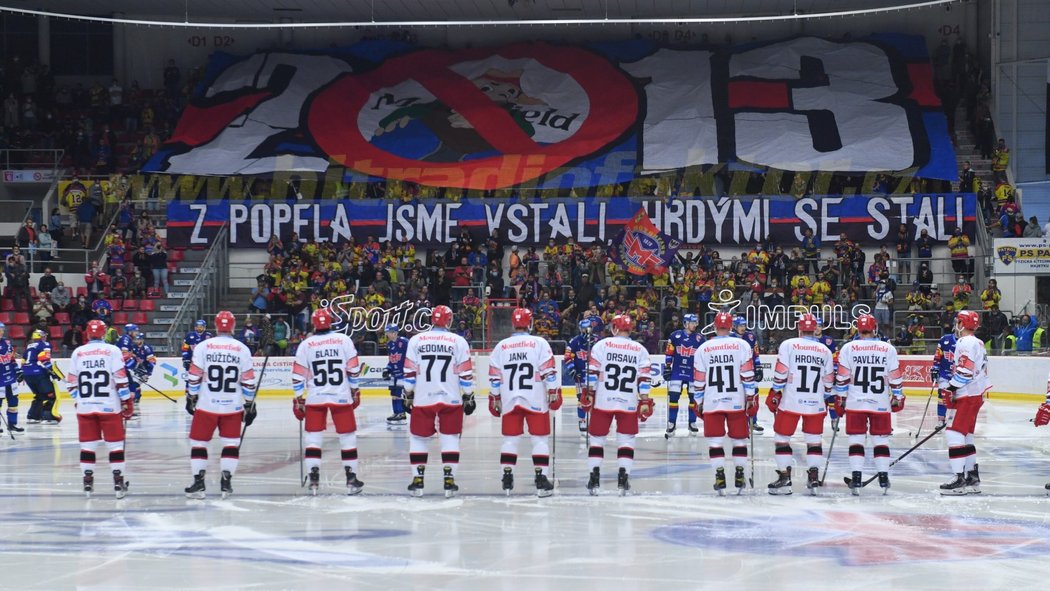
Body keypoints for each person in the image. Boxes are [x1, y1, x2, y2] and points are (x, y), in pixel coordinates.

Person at [402, 305, 475, 498]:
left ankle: (418, 479)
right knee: (450, 437)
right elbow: (465, 374)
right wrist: (468, 395)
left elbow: (409, 373)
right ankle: (449, 479)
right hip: (450, 397)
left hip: (423, 398)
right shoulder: (458, 341)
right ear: (449, 320)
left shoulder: (416, 340)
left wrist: (407, 393)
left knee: (418, 438)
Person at [487, 307, 560, 497]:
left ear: (513, 323)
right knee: (539, 440)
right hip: (535, 398)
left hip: (510, 399)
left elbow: (494, 378)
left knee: (510, 440)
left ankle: (507, 476)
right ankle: (541, 479)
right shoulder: (539, 343)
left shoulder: (501, 346)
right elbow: (548, 372)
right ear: (530, 323)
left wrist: (495, 398)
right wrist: (554, 392)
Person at [184, 311, 257, 499]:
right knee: (231, 444)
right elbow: (249, 382)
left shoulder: (203, 346)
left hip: (207, 404)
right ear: (233, 326)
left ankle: (199, 482)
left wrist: (191, 397)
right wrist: (249, 403)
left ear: (215, 326)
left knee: (199, 444)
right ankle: (226, 481)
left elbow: (194, 376)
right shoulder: (242, 349)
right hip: (232, 406)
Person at [292, 308, 365, 495]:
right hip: (340, 395)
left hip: (316, 397)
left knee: (313, 439)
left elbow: (298, 376)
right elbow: (354, 370)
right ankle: (351, 478)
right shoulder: (344, 340)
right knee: (347, 438)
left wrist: (299, 398)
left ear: (314, 324)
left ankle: (314, 478)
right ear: (331, 322)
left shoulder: (306, 344)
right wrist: (355, 388)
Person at [581, 314, 654, 496]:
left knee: (597, 440)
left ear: (614, 327)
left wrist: (588, 392)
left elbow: (592, 374)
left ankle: (594, 476)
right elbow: (644, 379)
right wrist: (644, 399)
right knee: (626, 441)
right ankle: (623, 477)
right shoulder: (640, 349)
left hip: (603, 400)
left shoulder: (601, 345)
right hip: (627, 401)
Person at [765, 313, 835, 495]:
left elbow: (781, 372)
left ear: (799, 327)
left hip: (791, 401)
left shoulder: (789, 345)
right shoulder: (825, 350)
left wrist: (775, 391)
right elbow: (829, 381)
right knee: (814, 441)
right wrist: (824, 395)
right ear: (815, 329)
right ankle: (813, 478)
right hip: (815, 403)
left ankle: (784, 478)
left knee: (781, 439)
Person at [834, 314, 904, 495]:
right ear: (875, 328)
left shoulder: (848, 348)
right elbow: (895, 378)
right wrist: (897, 396)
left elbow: (841, 378)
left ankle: (856, 477)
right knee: (881, 440)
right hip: (880, 402)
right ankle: (883, 477)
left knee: (856, 440)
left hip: (855, 402)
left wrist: (840, 399)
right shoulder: (887, 349)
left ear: (857, 329)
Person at [691, 312, 757, 495]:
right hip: (736, 400)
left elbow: (699, 379)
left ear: (714, 326)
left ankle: (719, 476)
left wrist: (698, 400)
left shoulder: (704, 348)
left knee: (715, 442)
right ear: (731, 326)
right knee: (739, 440)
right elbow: (748, 376)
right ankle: (740, 474)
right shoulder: (742, 345)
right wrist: (750, 397)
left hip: (713, 401)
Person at [67, 320, 132, 498]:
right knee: (115, 446)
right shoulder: (113, 351)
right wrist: (127, 401)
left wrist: (79, 400)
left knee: (87, 447)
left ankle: (87, 482)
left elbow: (71, 384)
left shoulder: (78, 352)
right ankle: (118, 482)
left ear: (87, 334)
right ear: (104, 333)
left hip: (85, 406)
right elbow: (121, 379)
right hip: (109, 406)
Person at [940, 310, 990, 495]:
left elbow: (965, 370)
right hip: (975, 394)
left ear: (962, 323)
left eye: (958, 321)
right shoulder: (978, 342)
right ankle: (972, 476)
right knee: (967, 435)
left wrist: (950, 388)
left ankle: (959, 478)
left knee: (954, 433)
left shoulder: (965, 342)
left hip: (966, 394)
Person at [662, 313, 703, 438]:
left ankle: (692, 422)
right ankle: (672, 423)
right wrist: (668, 367)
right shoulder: (675, 336)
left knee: (693, 398)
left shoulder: (700, 338)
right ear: (685, 323)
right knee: (673, 397)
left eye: (696, 322)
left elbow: (703, 356)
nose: (695, 325)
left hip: (693, 373)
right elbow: (669, 353)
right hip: (677, 371)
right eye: (692, 322)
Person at [564, 318, 598, 434]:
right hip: (580, 375)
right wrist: (572, 369)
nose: (585, 331)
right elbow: (567, 356)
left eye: (587, 328)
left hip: (594, 376)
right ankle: (582, 420)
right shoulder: (574, 341)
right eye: (583, 328)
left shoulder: (597, 341)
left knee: (595, 398)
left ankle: (595, 420)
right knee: (581, 399)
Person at [732, 316, 765, 433]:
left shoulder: (750, 337)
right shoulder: (730, 338)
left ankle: (753, 421)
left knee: (753, 396)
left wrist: (759, 368)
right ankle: (740, 423)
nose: (743, 328)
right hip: (735, 373)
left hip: (750, 371)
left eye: (744, 325)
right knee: (739, 398)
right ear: (734, 326)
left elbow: (755, 354)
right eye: (740, 325)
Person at [23, 330, 61, 424]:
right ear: (40, 337)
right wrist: (52, 371)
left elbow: (23, 361)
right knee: (50, 395)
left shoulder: (29, 346)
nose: (45, 337)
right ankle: (48, 417)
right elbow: (44, 360)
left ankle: (33, 416)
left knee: (39, 395)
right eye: (43, 335)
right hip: (38, 374)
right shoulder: (45, 344)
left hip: (27, 374)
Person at [383, 324, 409, 425]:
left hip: (402, 373)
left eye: (388, 332)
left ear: (394, 332)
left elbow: (410, 357)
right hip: (394, 374)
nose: (387, 334)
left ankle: (401, 413)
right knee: (393, 393)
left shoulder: (404, 342)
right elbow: (391, 360)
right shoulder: (389, 344)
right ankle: (396, 413)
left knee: (399, 393)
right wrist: (387, 369)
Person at [931, 329, 957, 428]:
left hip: (959, 375)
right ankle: (941, 420)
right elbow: (938, 356)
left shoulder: (967, 341)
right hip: (945, 373)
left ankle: (954, 419)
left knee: (958, 398)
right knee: (942, 395)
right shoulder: (945, 339)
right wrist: (935, 368)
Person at [0, 323, 23, 433]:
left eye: (2, 329)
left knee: (14, 401)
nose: (1, 332)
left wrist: (18, 371)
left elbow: (11, 359)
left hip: (11, 378)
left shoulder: (7, 342)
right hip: (0, 380)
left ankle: (12, 424)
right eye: (0, 329)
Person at [127, 332, 156, 414]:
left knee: (136, 384)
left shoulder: (147, 348)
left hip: (145, 370)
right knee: (133, 383)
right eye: (136, 339)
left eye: (138, 339)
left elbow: (152, 362)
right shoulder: (134, 347)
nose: (136, 341)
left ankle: (137, 397)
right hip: (136, 368)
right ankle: (136, 397)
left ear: (142, 340)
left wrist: (147, 369)